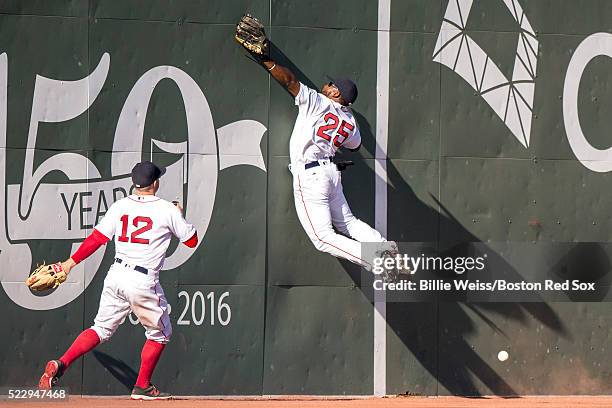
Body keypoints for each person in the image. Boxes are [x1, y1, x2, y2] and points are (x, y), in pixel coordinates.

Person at [36, 161, 198, 400]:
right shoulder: (167, 209)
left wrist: (70, 263)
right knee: (160, 333)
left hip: (116, 274)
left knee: (100, 328)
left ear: (135, 184)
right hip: (142, 280)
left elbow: (97, 238)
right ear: (155, 183)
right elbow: (191, 241)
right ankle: (142, 386)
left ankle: (61, 364)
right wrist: (179, 215)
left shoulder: (120, 205)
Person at [260, 58, 395, 270]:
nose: (327, 85)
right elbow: (355, 145)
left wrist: (266, 60)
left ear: (336, 94)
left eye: (332, 85)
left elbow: (289, 81)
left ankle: (379, 259)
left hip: (311, 175)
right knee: (348, 223)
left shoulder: (316, 101)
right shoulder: (350, 122)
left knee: (322, 238)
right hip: (329, 174)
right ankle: (384, 249)